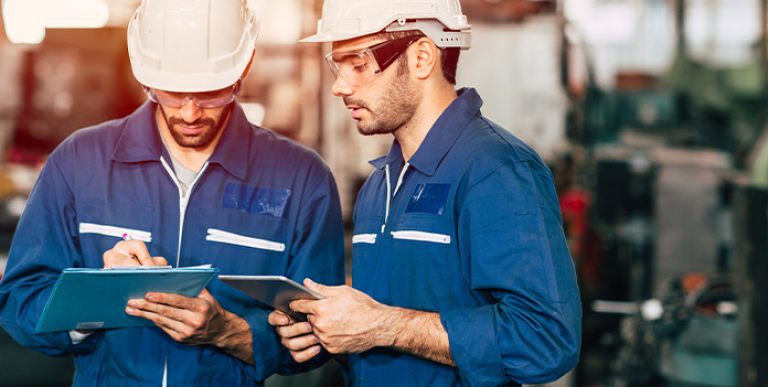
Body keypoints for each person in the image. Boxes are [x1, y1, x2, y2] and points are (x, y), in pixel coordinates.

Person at [0, 0, 344, 385]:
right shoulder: (79, 162)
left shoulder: (302, 178)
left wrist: (228, 332)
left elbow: (321, 337)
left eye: (211, 92)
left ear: (243, 67)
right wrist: (100, 295)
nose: (191, 112)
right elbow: (19, 303)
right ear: (144, 76)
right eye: (172, 93)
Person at [268, 0, 581, 386]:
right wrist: (327, 329)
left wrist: (384, 326)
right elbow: (381, 325)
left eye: (359, 64)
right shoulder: (379, 186)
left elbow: (545, 339)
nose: (339, 86)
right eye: (337, 65)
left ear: (420, 57)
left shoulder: (497, 171)